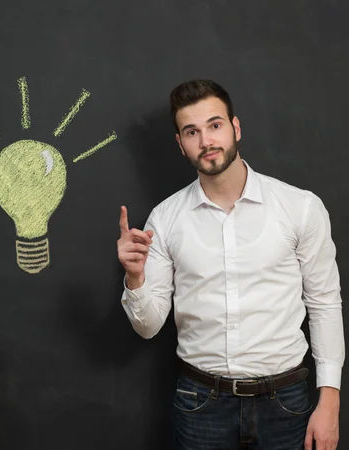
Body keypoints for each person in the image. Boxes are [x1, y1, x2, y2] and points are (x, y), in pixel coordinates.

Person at [118, 80, 343, 450]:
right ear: (180, 143)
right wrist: (135, 276)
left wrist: (330, 401)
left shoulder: (300, 207)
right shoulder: (166, 218)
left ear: (235, 127)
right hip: (201, 404)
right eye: (192, 131)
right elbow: (148, 327)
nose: (206, 140)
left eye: (215, 125)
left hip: (286, 402)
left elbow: (325, 305)